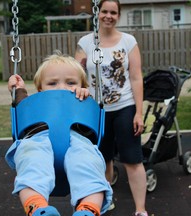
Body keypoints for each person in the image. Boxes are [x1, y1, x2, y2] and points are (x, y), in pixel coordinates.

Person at [5, 52, 112, 216]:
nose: (62, 88)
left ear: (82, 86)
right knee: (31, 161)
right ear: (40, 89)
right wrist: (18, 89)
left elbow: (89, 118)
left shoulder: (82, 99)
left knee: (89, 166)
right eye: (52, 83)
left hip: (78, 144)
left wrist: (86, 96)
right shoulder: (36, 105)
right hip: (38, 142)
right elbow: (23, 105)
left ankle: (88, 209)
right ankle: (37, 208)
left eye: (71, 82)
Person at [75, 0, 148, 216]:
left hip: (124, 107)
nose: (108, 16)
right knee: (102, 159)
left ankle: (140, 210)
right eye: (104, 11)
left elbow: (136, 78)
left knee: (132, 159)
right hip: (97, 110)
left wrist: (139, 112)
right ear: (97, 13)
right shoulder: (86, 42)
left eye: (113, 12)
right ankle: (106, 201)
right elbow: (77, 76)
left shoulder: (128, 41)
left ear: (118, 15)